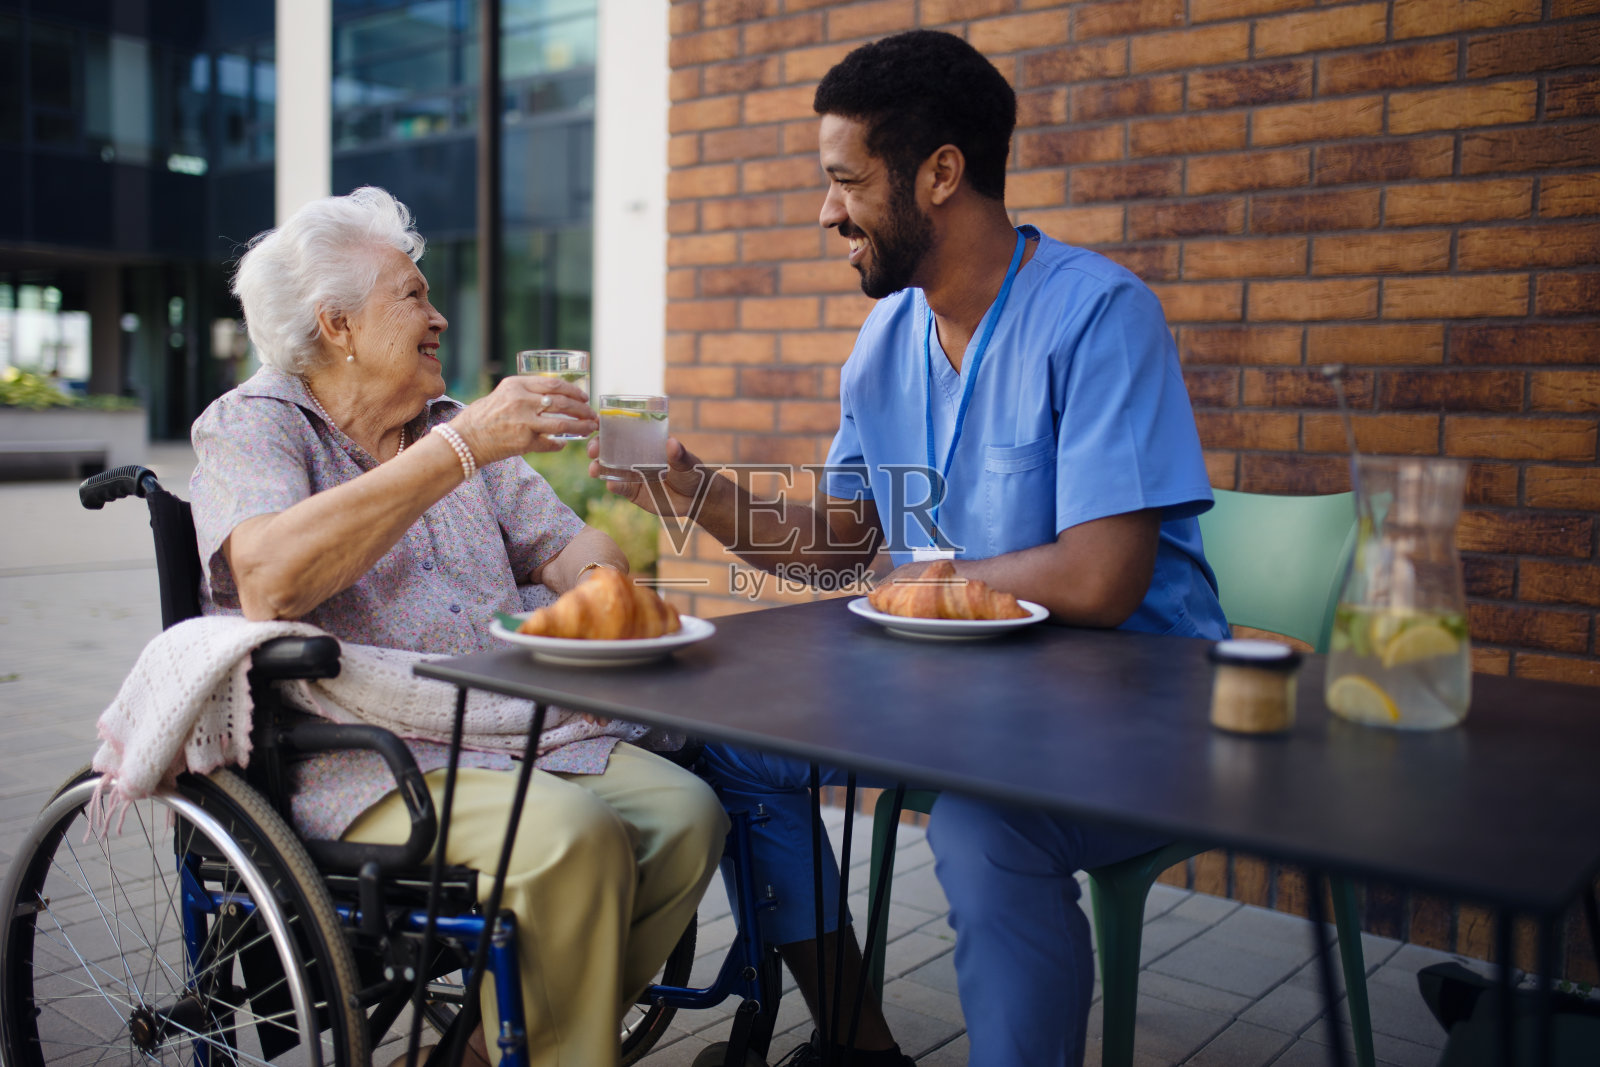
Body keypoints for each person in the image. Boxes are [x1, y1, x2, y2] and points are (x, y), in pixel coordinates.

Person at [597, 30, 1229, 1067]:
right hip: (970, 699)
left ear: (940, 174)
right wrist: (689, 484)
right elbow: (838, 542)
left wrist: (924, 583)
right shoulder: (887, 339)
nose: (825, 210)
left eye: (844, 180)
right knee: (737, 750)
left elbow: (1102, 578)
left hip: (1135, 712)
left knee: (982, 831)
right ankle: (857, 1040)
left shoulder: (1099, 314)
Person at [190, 186, 728, 1067]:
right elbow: (270, 579)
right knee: (573, 841)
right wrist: (464, 448)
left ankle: (478, 1050)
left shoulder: (445, 427)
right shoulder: (254, 427)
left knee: (688, 813)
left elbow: (571, 542)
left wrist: (598, 585)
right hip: (361, 756)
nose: (438, 315)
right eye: (413, 295)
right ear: (338, 326)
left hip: (508, 731)